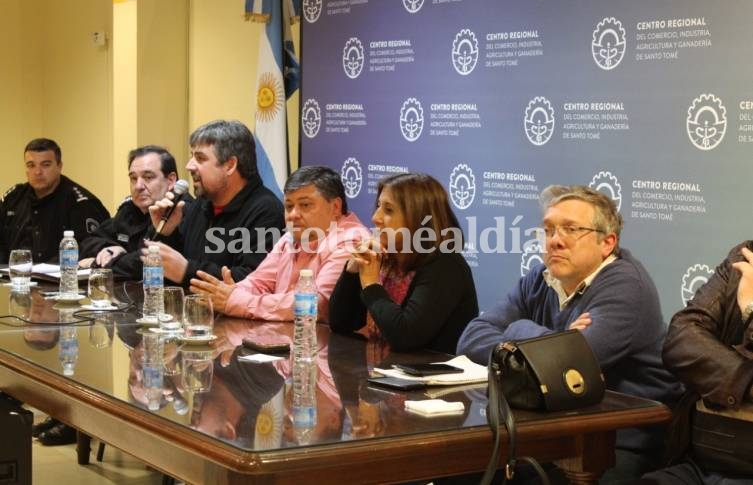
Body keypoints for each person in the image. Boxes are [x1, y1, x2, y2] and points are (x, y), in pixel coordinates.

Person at [457, 184, 682, 483]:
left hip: (624, 440)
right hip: (554, 428)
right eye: (548, 230)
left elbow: (570, 363)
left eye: (571, 229)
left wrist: (517, 330)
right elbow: (471, 337)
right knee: (465, 472)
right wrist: (555, 338)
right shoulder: (539, 279)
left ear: (607, 243)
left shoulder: (627, 287)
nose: (555, 241)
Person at [189, 165, 368, 321]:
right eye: (289, 206)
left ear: (335, 207)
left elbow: (316, 305)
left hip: (339, 354)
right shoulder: (291, 238)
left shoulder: (351, 242)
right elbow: (259, 282)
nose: (293, 215)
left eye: (305, 205)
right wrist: (228, 292)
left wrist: (235, 301)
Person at [638, 243, 753, 484]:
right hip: (700, 463)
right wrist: (743, 380)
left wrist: (751, 310)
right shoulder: (745, 257)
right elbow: (682, 338)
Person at [328, 172, 479, 355]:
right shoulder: (387, 255)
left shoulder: (445, 265)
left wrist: (371, 284)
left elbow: (405, 336)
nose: (376, 217)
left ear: (419, 218)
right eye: (378, 206)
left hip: (432, 378)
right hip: (386, 374)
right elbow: (341, 324)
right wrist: (352, 270)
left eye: (389, 210)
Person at [146, 120, 285, 287]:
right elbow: (168, 274)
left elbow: (252, 279)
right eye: (192, 157)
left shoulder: (266, 210)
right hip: (189, 309)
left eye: (200, 158)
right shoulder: (200, 204)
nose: (189, 166)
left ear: (230, 165)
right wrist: (166, 233)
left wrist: (188, 271)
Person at [0, 138, 110, 264]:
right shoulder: (13, 198)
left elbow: (92, 249)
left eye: (45, 165)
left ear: (59, 166)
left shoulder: (81, 203)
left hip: (59, 279)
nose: (37, 172)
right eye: (31, 165)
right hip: (12, 278)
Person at [79, 145, 181, 279]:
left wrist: (96, 263)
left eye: (148, 177)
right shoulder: (130, 209)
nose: (138, 186)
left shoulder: (180, 211)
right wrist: (111, 248)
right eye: (133, 178)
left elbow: (148, 262)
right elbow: (89, 242)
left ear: (171, 180)